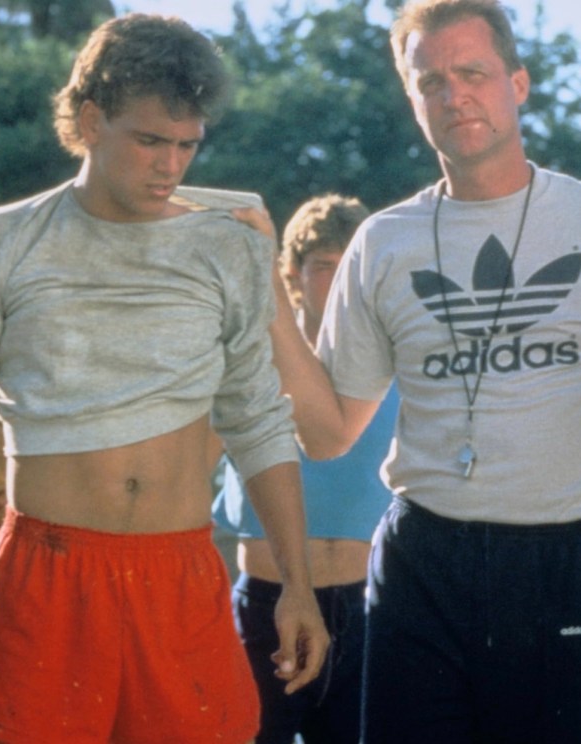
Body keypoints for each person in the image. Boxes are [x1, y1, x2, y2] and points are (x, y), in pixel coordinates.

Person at [265, 1, 581, 741]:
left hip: (564, 558)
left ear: (518, 83)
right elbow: (329, 434)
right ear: (411, 98)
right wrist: (266, 297)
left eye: (472, 73)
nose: (453, 94)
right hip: (422, 562)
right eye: (429, 81)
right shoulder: (382, 242)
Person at [0, 14, 328, 744]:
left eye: (187, 145)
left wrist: (298, 585)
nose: (171, 165)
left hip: (182, 578)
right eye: (150, 140)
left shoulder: (229, 250)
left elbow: (258, 418)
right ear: (91, 122)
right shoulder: (1, 241)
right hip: (46, 577)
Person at [213, 194, 399, 744]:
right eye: (324, 267)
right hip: (267, 602)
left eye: (351, 267)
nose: (340, 281)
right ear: (291, 274)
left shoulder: (394, 358)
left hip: (366, 604)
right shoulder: (245, 351)